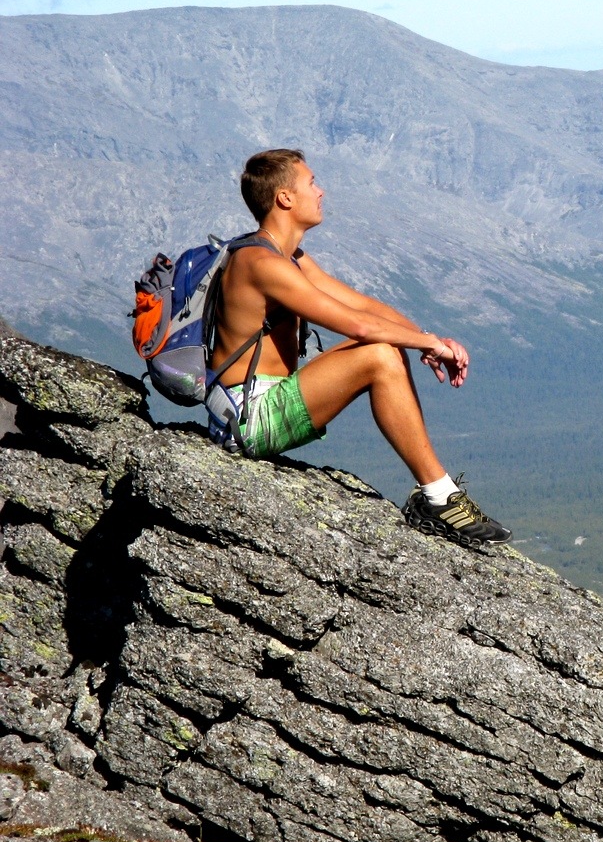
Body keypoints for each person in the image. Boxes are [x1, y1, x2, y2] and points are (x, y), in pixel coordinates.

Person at [206, 148, 511, 546]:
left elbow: (363, 306)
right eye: (311, 183)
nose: (321, 191)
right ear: (285, 198)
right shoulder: (263, 265)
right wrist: (430, 344)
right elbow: (360, 326)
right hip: (248, 419)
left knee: (386, 347)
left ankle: (439, 494)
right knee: (379, 355)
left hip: (258, 404)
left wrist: (427, 340)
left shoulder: (287, 256)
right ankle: (440, 498)